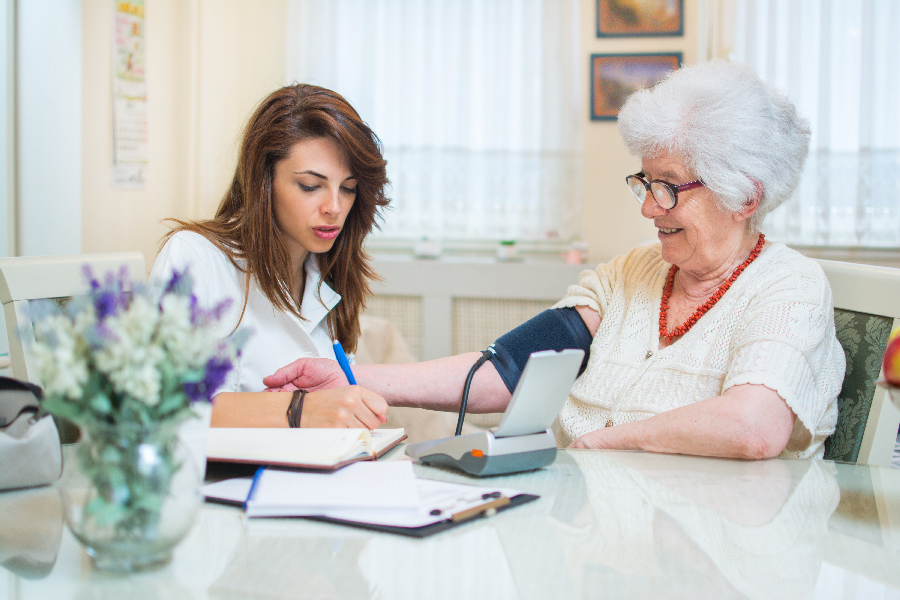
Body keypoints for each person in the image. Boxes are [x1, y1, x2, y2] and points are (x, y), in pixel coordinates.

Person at [263, 61, 846, 459]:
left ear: (745, 195)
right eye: (645, 181)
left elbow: (754, 426)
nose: (648, 207)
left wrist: (599, 447)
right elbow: (507, 370)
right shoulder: (629, 276)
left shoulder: (788, 288)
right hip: (598, 533)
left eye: (668, 186)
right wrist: (353, 376)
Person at [149, 84, 389, 429]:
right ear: (264, 180)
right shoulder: (194, 258)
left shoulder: (330, 274)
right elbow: (159, 409)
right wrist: (301, 410)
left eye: (348, 188)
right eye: (310, 185)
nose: (334, 207)